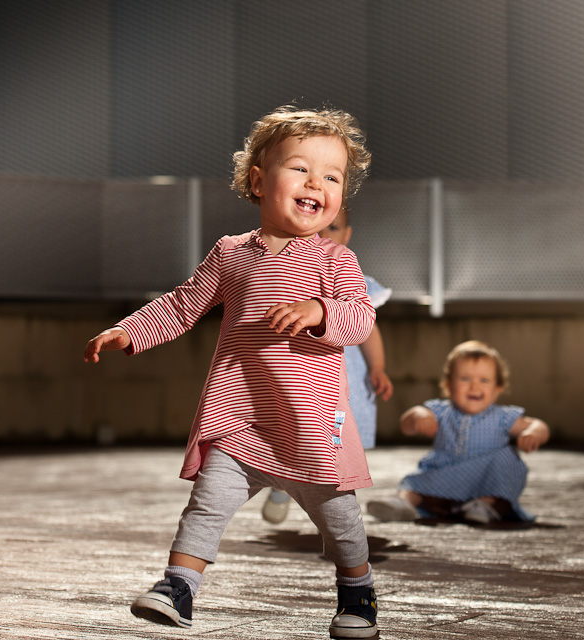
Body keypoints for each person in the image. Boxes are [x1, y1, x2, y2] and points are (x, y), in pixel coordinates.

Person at [83, 105, 380, 639]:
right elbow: (181, 305)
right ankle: (178, 587)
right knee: (206, 506)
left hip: (310, 427)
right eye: (300, 169)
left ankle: (357, 591)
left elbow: (359, 319)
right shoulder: (230, 253)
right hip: (239, 419)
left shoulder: (335, 261)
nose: (317, 183)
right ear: (258, 180)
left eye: (331, 177)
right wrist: (131, 330)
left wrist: (320, 313)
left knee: (341, 521)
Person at [261, 206, 393, 525]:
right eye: (316, 227)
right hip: (304, 375)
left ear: (346, 236)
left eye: (333, 228)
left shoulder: (355, 279)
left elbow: (369, 329)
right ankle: (285, 484)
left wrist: (378, 367)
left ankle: (336, 508)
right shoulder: (290, 273)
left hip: (344, 381)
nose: (323, 235)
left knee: (338, 444)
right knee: (301, 435)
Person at [366, 340, 550, 524]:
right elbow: (406, 424)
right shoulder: (440, 411)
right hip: (445, 477)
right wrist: (419, 417)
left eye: (484, 380)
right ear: (448, 385)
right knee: (415, 482)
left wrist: (533, 432)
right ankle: (403, 504)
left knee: (507, 458)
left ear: (497, 389)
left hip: (484, 483)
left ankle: (483, 505)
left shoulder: (503, 417)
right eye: (465, 379)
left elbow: (536, 424)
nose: (474, 386)